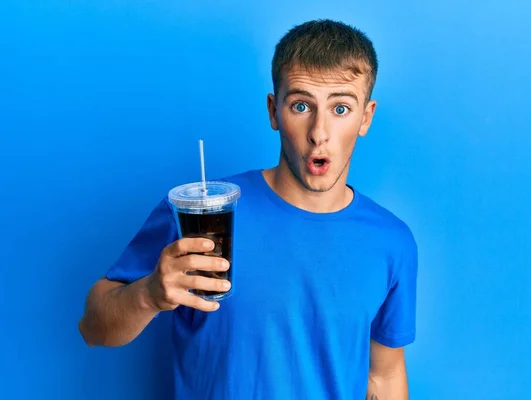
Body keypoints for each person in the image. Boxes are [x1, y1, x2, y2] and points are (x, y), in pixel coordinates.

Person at [79, 19, 418, 400]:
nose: (319, 131)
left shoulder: (392, 242)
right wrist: (149, 294)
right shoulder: (205, 213)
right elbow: (93, 326)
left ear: (366, 117)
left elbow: (383, 378)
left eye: (341, 108)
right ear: (274, 112)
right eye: (301, 105)